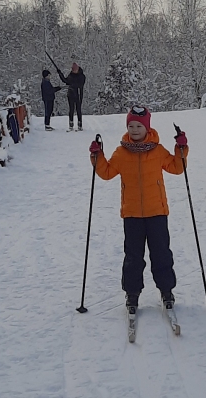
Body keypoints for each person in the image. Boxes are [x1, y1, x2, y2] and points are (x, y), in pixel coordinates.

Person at [89, 106, 188, 314]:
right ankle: (132, 293)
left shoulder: (158, 150)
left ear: (147, 128)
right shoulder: (121, 152)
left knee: (161, 254)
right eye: (131, 126)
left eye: (139, 126)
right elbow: (107, 172)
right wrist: (97, 157)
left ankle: (166, 291)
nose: (134, 130)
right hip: (132, 214)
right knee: (133, 256)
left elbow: (177, 168)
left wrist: (181, 149)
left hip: (157, 212)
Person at [56, 60, 86, 131]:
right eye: (72, 70)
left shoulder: (82, 76)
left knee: (78, 109)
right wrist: (60, 74)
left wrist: (72, 85)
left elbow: (80, 84)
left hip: (78, 94)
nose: (73, 71)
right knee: (71, 109)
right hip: (71, 94)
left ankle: (79, 124)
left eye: (74, 70)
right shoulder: (71, 75)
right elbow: (66, 81)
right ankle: (71, 124)